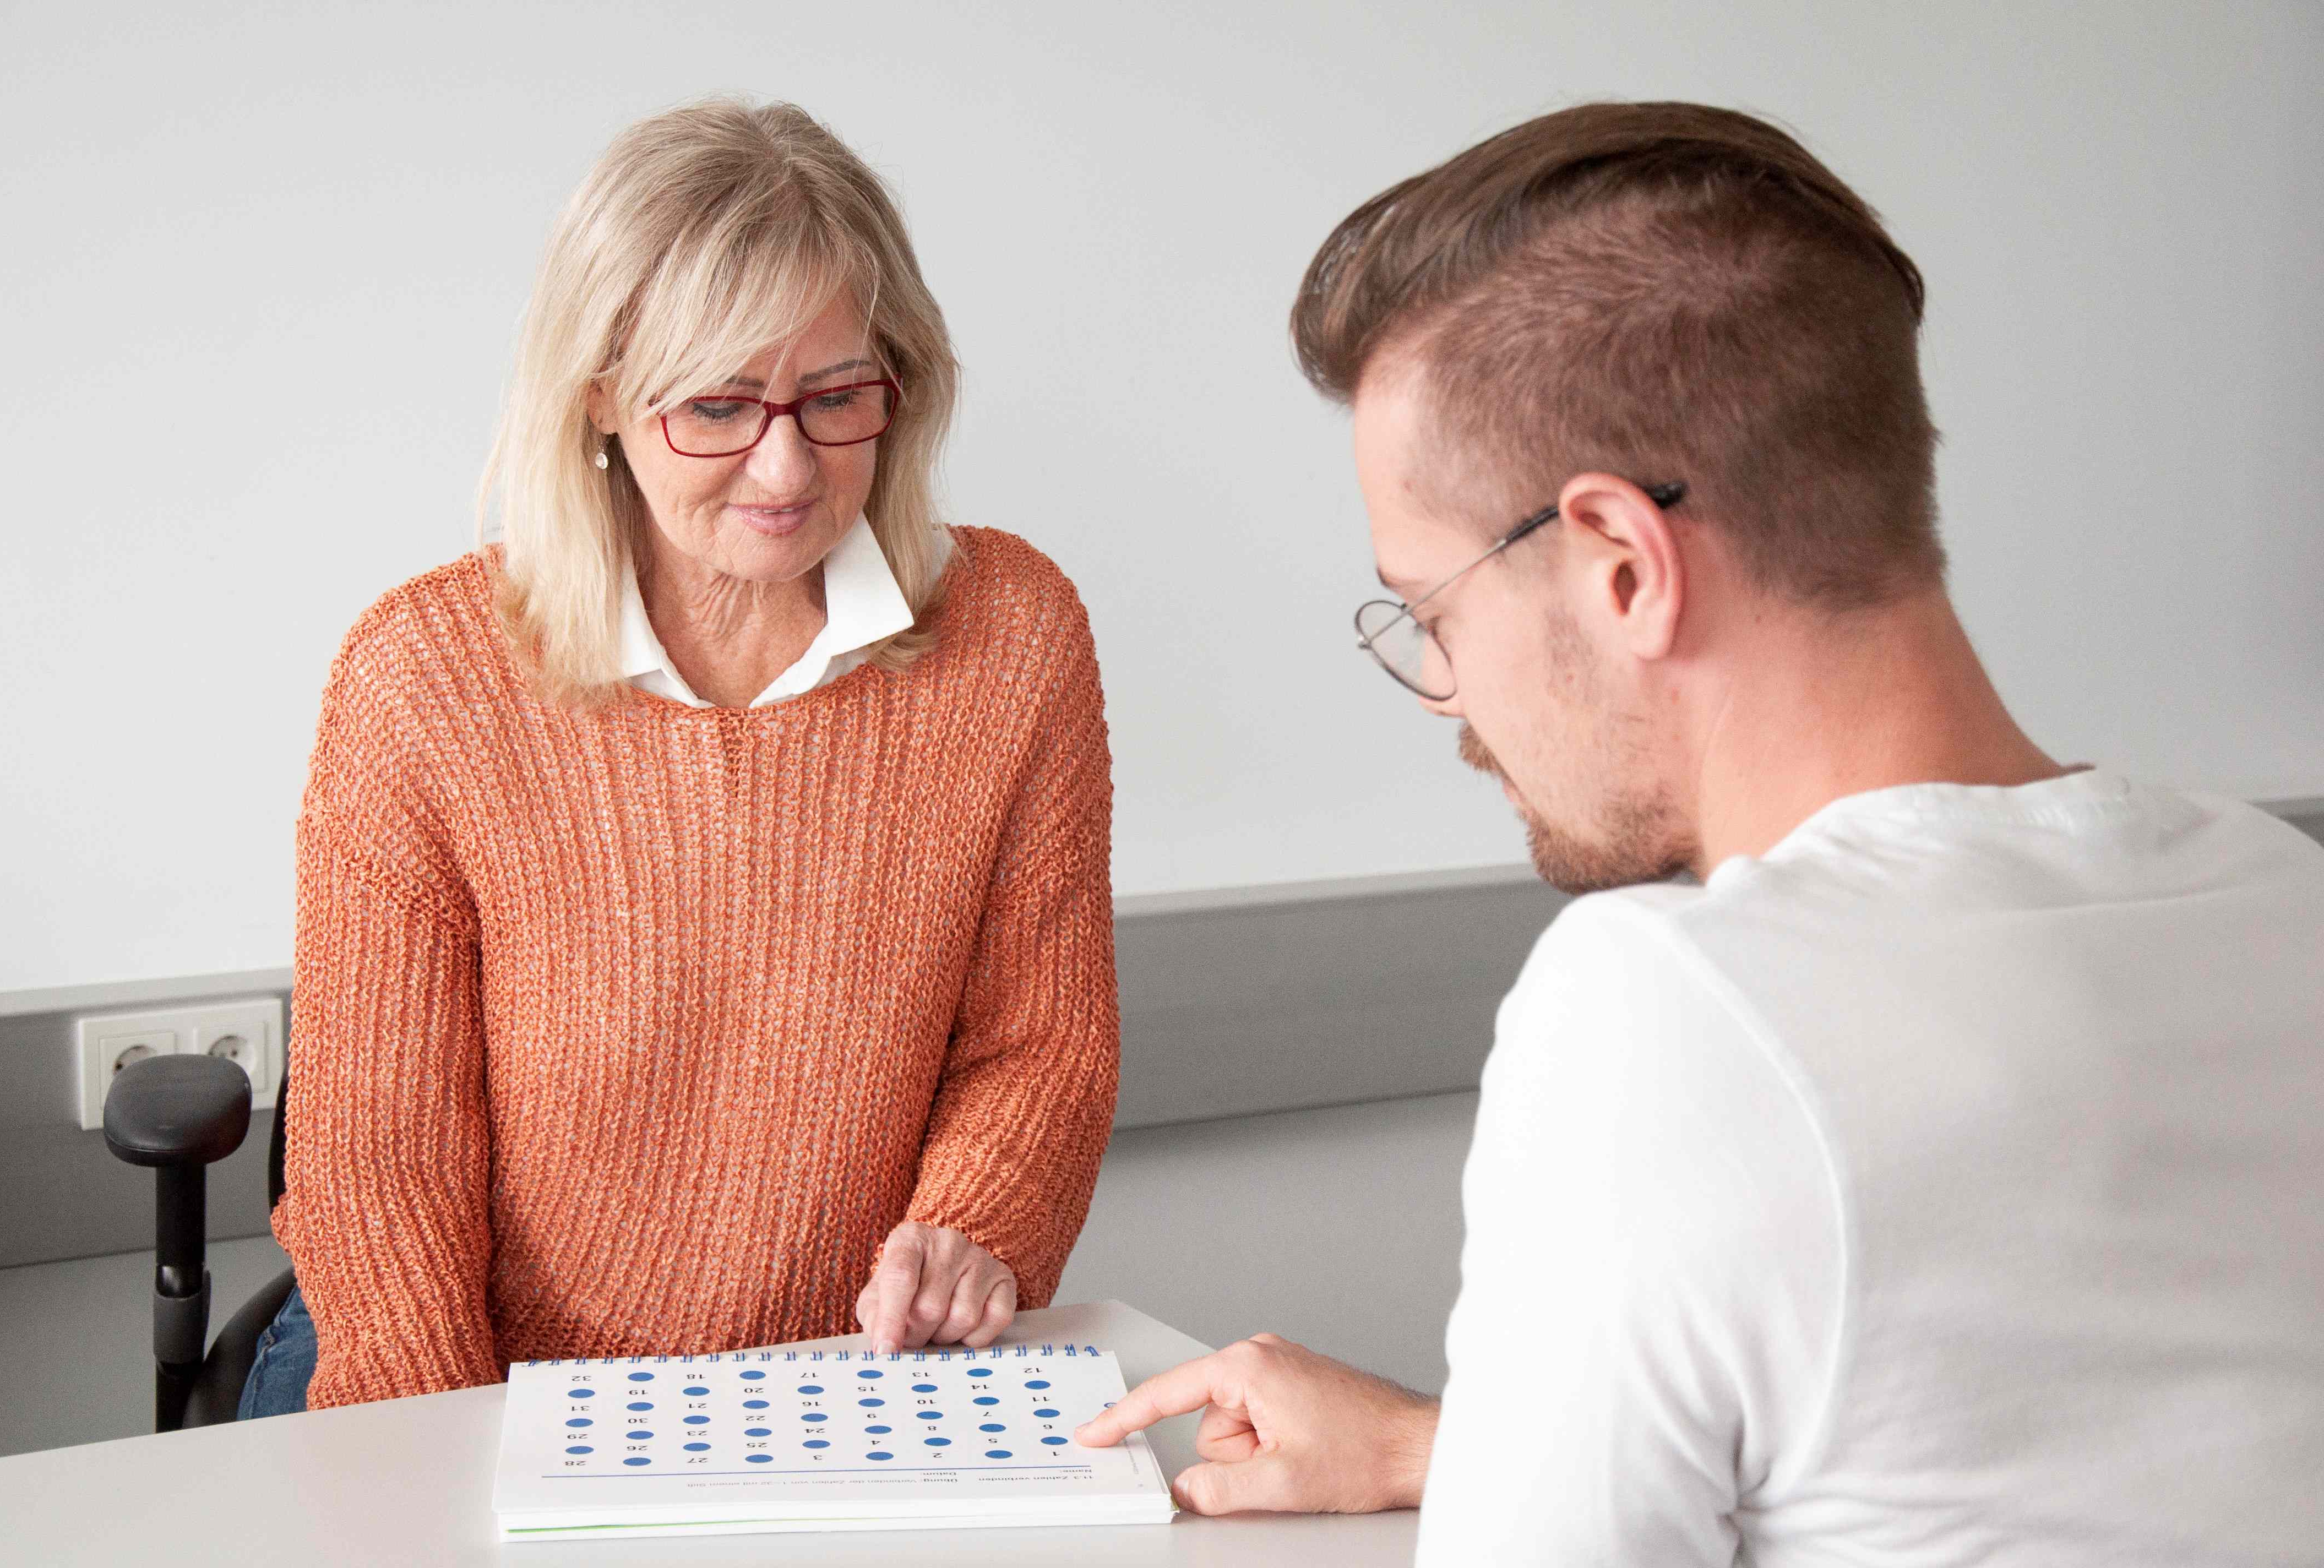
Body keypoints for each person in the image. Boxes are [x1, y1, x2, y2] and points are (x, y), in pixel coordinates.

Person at [1077, 101, 2324, 1564]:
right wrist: (1457, 1444)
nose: (1445, 693)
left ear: (1621, 567)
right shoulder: (2275, 896)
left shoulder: (1667, 1007)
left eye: (1432, 615)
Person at [242, 98, 1119, 1416]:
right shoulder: (423, 676)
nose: (784, 465)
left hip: (840, 1383)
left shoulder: (1013, 636)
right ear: (599, 393)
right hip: (460, 1375)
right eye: (715, 405)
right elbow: (383, 1158)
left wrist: (975, 1224)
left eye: (835, 397)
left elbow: (1039, 1042)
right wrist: (443, 1457)